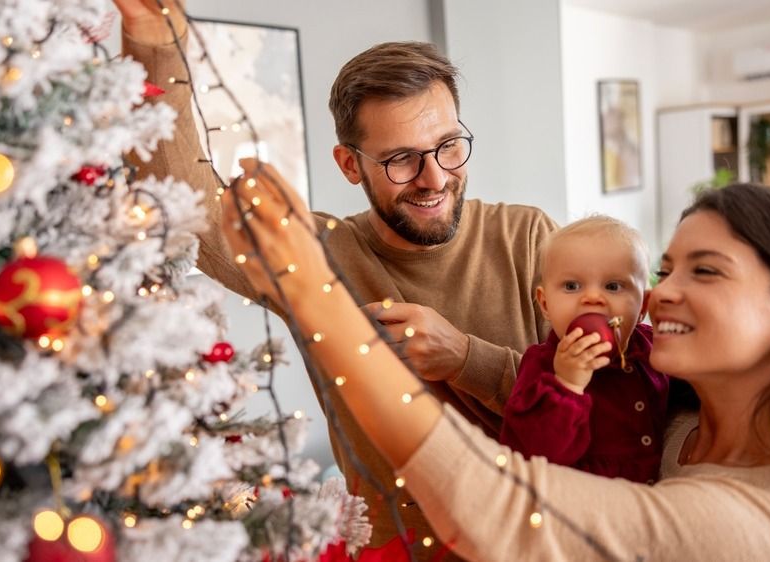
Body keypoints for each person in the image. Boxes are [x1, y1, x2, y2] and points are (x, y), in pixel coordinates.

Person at [116, 1, 555, 553]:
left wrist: (467, 358)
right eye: (401, 159)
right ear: (350, 166)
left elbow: (602, 403)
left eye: (448, 145)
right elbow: (190, 207)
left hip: (532, 543)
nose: (434, 177)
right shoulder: (314, 253)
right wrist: (156, 44)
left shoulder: (531, 237)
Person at [222, 177, 770, 561]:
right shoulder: (687, 418)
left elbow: (494, 505)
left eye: (706, 270)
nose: (659, 295)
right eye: (666, 271)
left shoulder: (765, 523)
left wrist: (314, 293)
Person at [499, 216, 668, 484]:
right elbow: (533, 455)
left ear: (643, 306)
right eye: (571, 286)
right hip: (584, 508)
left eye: (613, 286)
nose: (592, 298)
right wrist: (567, 384)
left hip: (654, 502)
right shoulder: (541, 366)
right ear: (545, 304)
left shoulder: (655, 349)